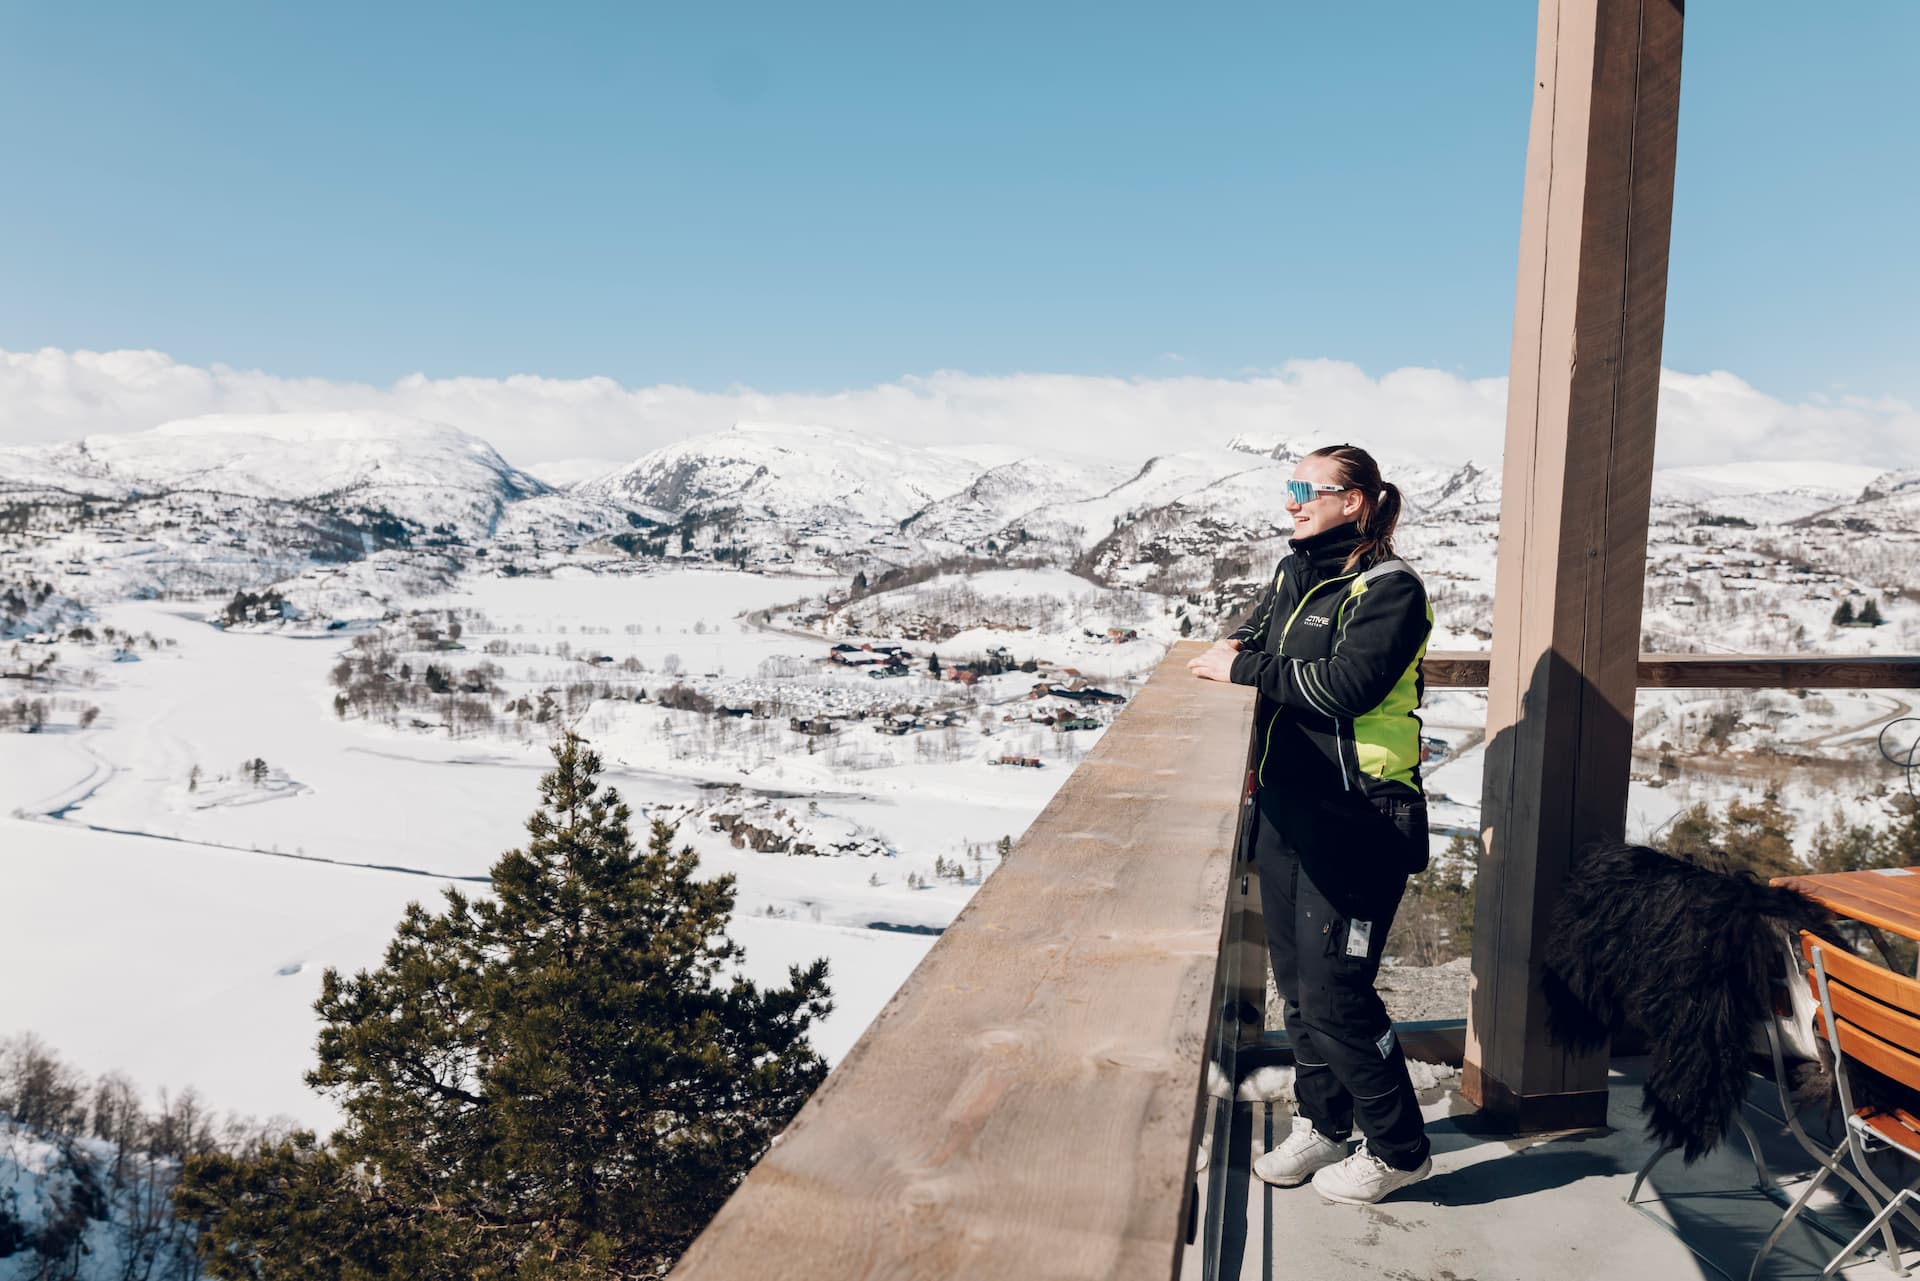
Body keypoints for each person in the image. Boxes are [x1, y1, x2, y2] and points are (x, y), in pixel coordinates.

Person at [1187, 442, 1434, 1205]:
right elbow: (1253, 642)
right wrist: (1243, 656)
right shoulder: (1298, 572)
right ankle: (1324, 1120)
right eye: (1290, 486)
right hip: (1291, 806)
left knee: (1338, 991)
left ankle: (1400, 1148)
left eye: (1307, 487)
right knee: (1296, 984)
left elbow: (1347, 688)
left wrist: (1243, 668)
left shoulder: (1391, 589)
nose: (1291, 499)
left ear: (1353, 499)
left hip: (1362, 816)